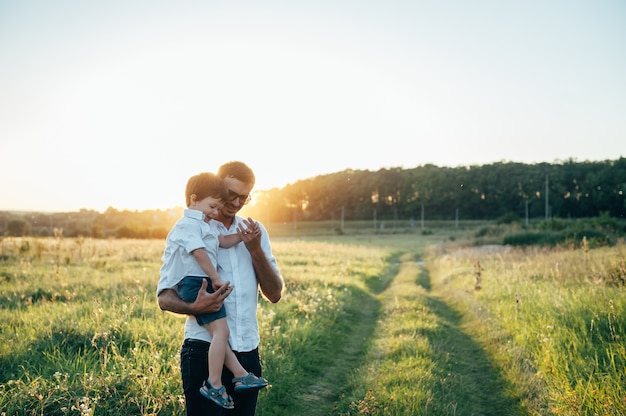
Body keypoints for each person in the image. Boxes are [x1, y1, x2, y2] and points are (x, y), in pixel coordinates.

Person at [157, 161, 284, 416]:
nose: (236, 203)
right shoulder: (193, 228)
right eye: (230, 195)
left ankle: (239, 373)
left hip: (247, 352)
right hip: (202, 351)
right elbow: (164, 297)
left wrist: (255, 248)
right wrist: (194, 306)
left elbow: (274, 294)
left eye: (243, 197)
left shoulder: (253, 232)